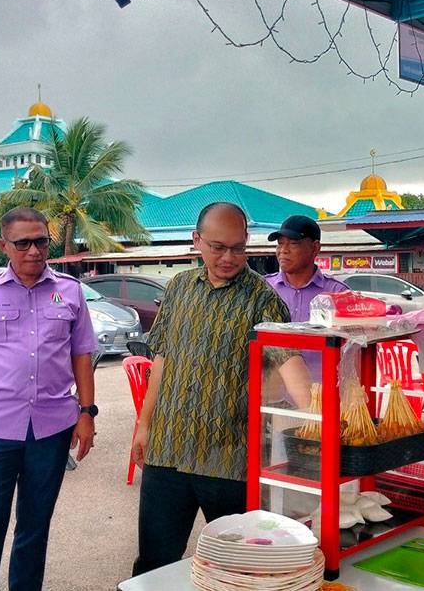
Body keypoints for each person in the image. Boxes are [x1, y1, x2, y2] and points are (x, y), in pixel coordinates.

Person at [130, 202, 291, 575]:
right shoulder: (180, 288)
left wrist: (323, 418)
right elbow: (163, 361)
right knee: (155, 561)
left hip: (229, 459)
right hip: (168, 450)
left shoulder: (263, 299)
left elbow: (287, 365)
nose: (229, 257)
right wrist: (144, 425)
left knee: (236, 566)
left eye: (238, 247)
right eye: (218, 247)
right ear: (197, 240)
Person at [0, 207, 98, 591]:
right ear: (4, 246)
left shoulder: (70, 291)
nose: (33, 250)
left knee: (35, 527)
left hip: (53, 428)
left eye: (41, 241)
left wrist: (86, 413)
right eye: (22, 243)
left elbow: (82, 355)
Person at [264, 215, 348, 403]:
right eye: (280, 244)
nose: (283, 251)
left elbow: (353, 350)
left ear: (315, 248)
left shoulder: (337, 294)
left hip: (322, 403)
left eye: (293, 244)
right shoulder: (263, 290)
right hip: (273, 404)